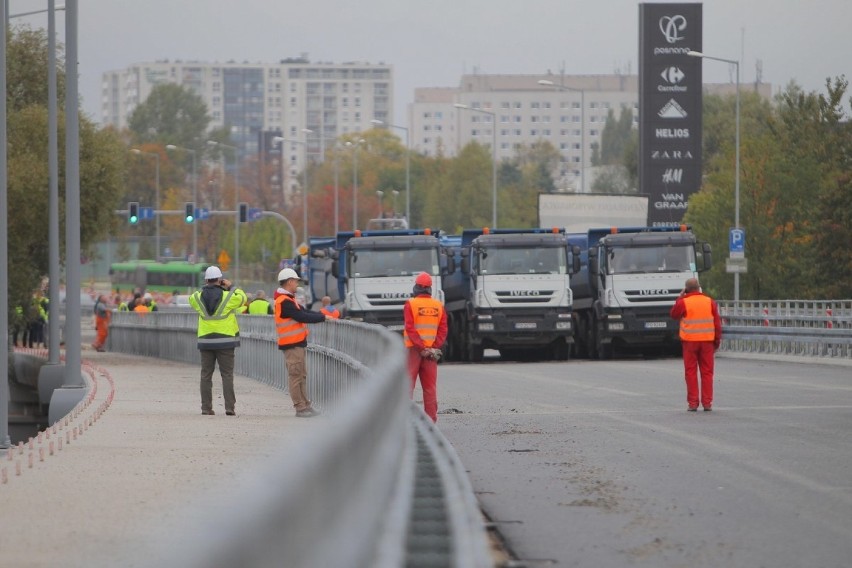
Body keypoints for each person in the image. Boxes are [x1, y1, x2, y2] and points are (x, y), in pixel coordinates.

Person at [188, 266, 248, 416]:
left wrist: (205, 288)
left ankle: (206, 408)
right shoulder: (228, 297)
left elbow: (192, 298)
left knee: (205, 375)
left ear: (206, 280)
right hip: (225, 341)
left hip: (206, 341)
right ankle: (229, 408)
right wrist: (231, 286)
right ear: (220, 280)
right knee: (227, 375)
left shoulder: (197, 297)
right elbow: (243, 298)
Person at [275, 268, 331, 418]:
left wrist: (322, 315)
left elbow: (304, 311)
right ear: (290, 282)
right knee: (295, 376)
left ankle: (305, 404)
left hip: (297, 343)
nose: (297, 284)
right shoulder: (284, 301)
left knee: (301, 375)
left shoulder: (288, 299)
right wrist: (323, 318)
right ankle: (300, 407)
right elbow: (301, 316)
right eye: (296, 281)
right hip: (292, 344)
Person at [670, 277, 723, 412]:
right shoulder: (709, 302)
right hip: (707, 342)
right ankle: (707, 403)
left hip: (690, 342)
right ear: (699, 288)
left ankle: (693, 403)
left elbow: (674, 314)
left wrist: (680, 298)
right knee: (707, 373)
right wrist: (716, 341)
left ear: (686, 290)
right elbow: (717, 324)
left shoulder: (684, 302)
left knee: (690, 372)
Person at [403, 272, 448, 422]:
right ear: (430, 289)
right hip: (431, 352)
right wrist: (432, 347)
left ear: (416, 288)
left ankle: (407, 420)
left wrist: (421, 347)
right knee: (430, 388)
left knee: (408, 386)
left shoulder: (410, 304)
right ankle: (431, 421)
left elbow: (410, 328)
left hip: (414, 351)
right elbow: (443, 330)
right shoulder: (439, 306)